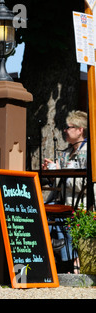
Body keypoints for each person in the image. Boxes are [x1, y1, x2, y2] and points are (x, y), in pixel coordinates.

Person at [42, 110, 93, 273]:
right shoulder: (66, 153)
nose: (64, 130)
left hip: (80, 201)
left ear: (80, 130)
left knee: (65, 216)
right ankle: (53, 250)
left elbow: (87, 183)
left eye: (68, 127)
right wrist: (51, 172)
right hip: (62, 200)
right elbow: (59, 182)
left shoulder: (90, 153)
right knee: (43, 210)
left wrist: (61, 172)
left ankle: (69, 259)